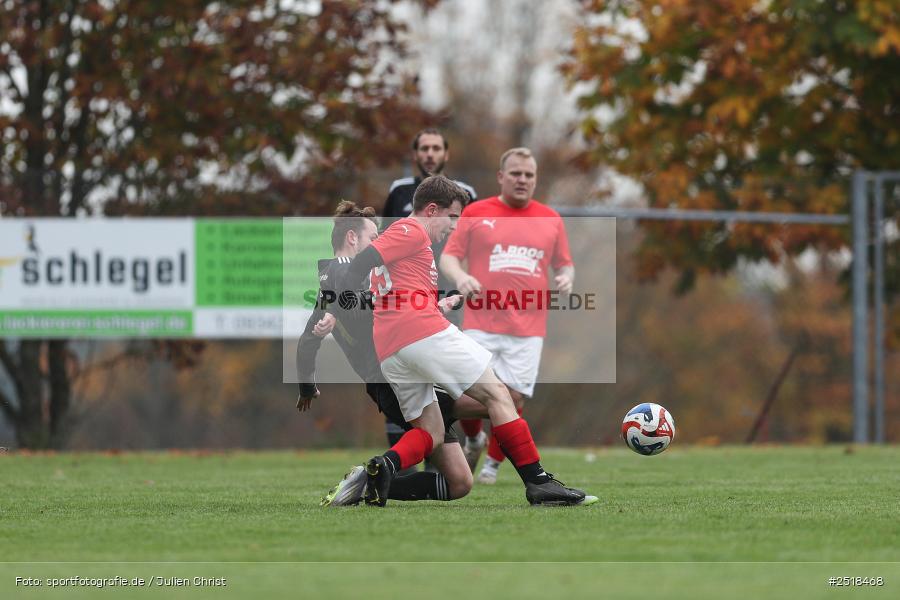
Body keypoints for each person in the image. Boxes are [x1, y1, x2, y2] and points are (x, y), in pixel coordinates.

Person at [334, 174, 592, 507]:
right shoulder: (410, 230)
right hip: (419, 333)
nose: (455, 226)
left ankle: (382, 470)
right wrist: (344, 296)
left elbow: (390, 290)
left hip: (393, 349)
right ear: (431, 210)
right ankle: (538, 482)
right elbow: (362, 264)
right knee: (499, 393)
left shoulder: (409, 241)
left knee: (431, 435)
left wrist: (434, 303)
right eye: (453, 217)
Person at [296, 200, 488, 506]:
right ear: (352, 238)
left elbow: (308, 342)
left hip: (394, 379)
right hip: (395, 378)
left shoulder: (331, 285)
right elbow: (368, 306)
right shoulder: (347, 275)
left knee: (460, 483)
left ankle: (365, 482)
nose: (378, 244)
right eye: (373, 237)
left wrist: (307, 385)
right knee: (495, 399)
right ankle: (529, 472)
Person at [440, 147, 575, 485]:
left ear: (535, 179)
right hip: (480, 322)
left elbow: (564, 263)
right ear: (502, 177)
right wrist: (461, 278)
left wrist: (566, 278)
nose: (522, 180)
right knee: (466, 394)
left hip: (528, 328)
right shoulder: (476, 212)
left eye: (529, 175)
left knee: (512, 399)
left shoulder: (550, 219)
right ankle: (473, 439)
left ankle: (493, 467)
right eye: (515, 173)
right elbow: (449, 258)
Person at [380, 128, 477, 457]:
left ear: (446, 154)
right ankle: (401, 461)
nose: (430, 154)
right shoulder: (399, 192)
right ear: (415, 155)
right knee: (408, 385)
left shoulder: (464, 193)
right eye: (424, 148)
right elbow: (383, 245)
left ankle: (445, 454)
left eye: (437, 148)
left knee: (450, 385)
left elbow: (472, 242)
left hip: (447, 296)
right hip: (406, 305)